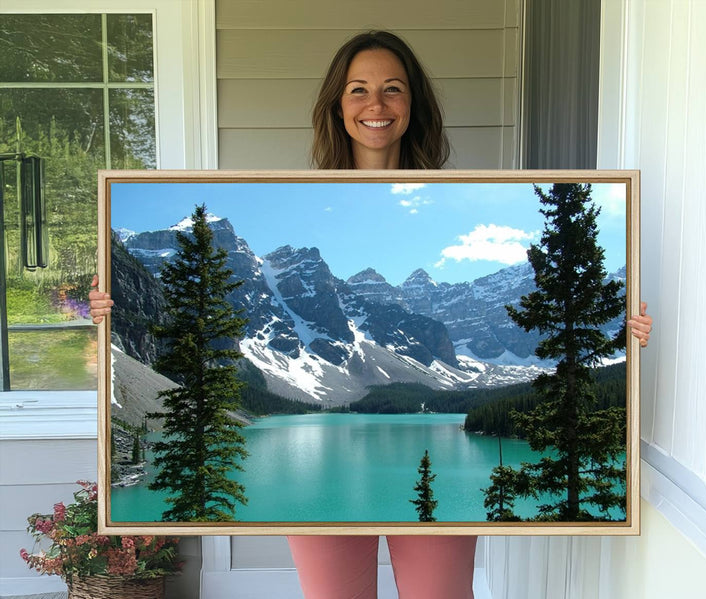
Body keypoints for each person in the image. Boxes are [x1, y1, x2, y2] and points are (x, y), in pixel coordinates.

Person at [90, 30, 653, 599]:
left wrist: (625, 336)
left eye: (393, 89)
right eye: (358, 90)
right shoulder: (292, 197)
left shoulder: (461, 194)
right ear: (338, 104)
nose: (376, 105)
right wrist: (106, 311)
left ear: (414, 105)